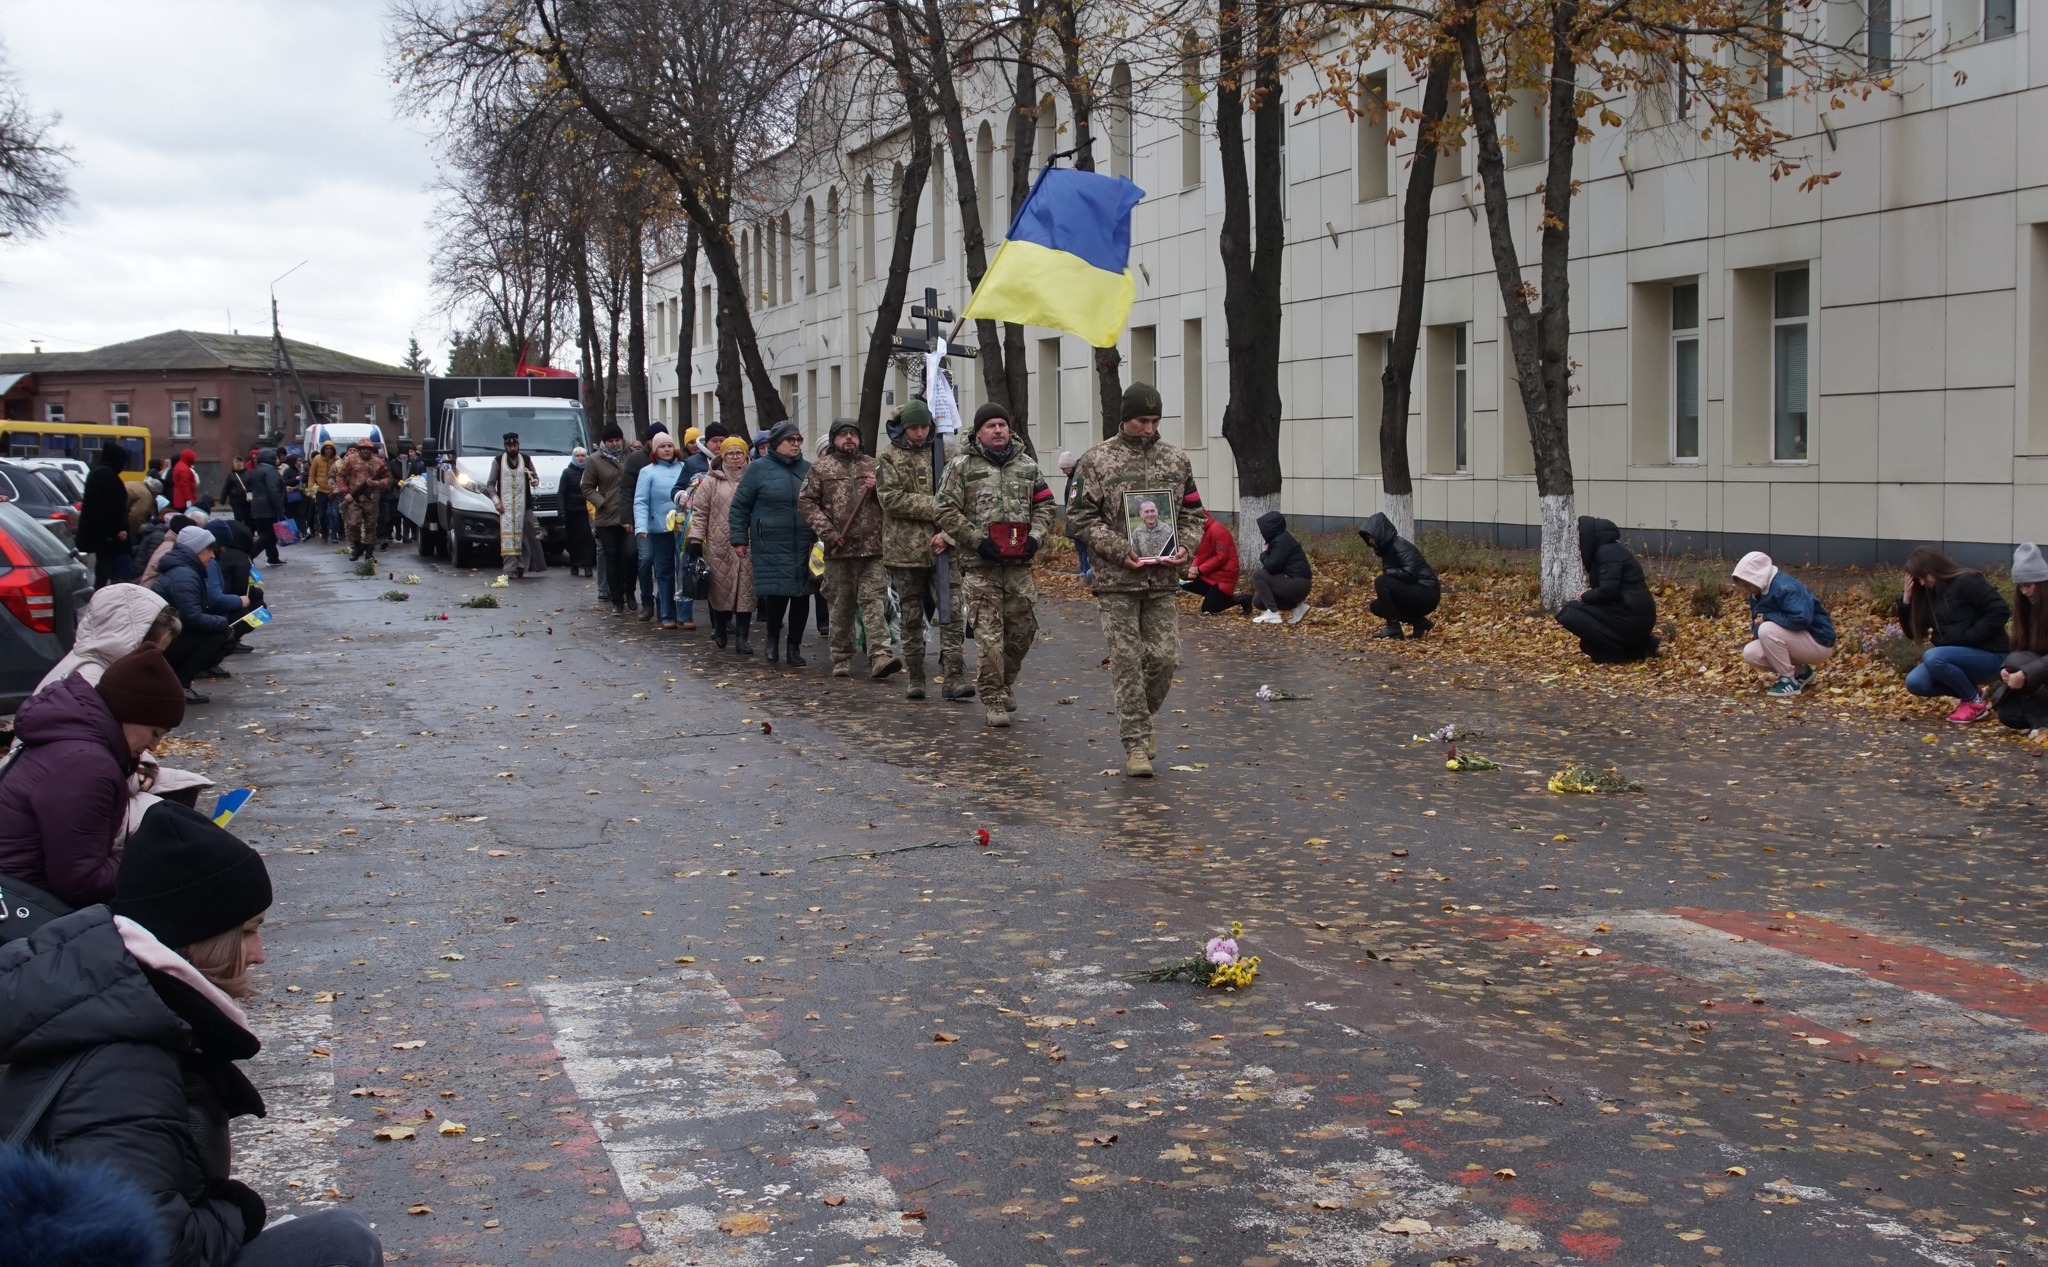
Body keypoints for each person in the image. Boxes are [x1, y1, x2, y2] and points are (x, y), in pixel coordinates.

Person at [0, 802, 385, 1267]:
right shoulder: (124, 1064)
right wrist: (239, 1210)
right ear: (197, 937)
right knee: (336, 1243)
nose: (259, 954)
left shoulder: (114, 1006)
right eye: (247, 931)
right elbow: (156, 1247)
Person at [1066, 383, 1205, 773]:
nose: (1149, 427)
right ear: (1125, 418)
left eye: (1155, 420)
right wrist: (1118, 549)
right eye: (1142, 420)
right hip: (1116, 579)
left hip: (1161, 579)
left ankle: (1142, 723)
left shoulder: (1176, 461)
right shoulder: (1096, 461)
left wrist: (1186, 548)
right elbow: (1078, 517)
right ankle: (1136, 746)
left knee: (1163, 659)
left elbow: (1194, 515)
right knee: (1127, 660)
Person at [0, 646, 185, 907]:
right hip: (25, 906)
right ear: (129, 713)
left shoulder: (74, 740)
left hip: (20, 891)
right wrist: (154, 853)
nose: (155, 747)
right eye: (155, 733)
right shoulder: (87, 766)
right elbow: (82, 882)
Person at [936, 402, 1056, 729]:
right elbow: (944, 510)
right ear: (979, 432)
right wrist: (976, 540)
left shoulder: (1027, 466)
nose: (999, 430)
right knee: (989, 637)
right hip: (980, 567)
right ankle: (993, 699)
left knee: (1023, 631)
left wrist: (1037, 537)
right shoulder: (962, 466)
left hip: (1019, 566)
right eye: (991, 426)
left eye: (1002, 424)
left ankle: (1004, 683)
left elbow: (1045, 505)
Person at [876, 400, 967, 700]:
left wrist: (949, 533)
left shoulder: (947, 453)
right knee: (912, 616)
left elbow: (962, 498)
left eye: (924, 426)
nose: (919, 432)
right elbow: (891, 499)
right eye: (913, 427)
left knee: (952, 613)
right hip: (906, 552)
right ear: (903, 428)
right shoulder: (889, 458)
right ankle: (916, 676)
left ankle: (954, 676)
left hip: (945, 548)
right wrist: (937, 506)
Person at [799, 419, 903, 679]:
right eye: (843, 434)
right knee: (841, 605)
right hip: (839, 550)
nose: (849, 438)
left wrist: (878, 487)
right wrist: (829, 533)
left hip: (873, 549)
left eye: (853, 434)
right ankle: (842, 657)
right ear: (834, 439)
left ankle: (880, 655)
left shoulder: (874, 466)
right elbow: (807, 503)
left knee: (874, 603)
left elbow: (894, 499)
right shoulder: (821, 469)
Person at [730, 419, 819, 667]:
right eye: (791, 440)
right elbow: (740, 506)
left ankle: (794, 648)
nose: (796, 444)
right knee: (777, 595)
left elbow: (822, 504)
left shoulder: (809, 469)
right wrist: (739, 539)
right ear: (776, 443)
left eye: (799, 440)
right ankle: (771, 642)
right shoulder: (758, 469)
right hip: (770, 543)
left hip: (803, 543)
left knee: (802, 596)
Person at [1896, 545, 2010, 723]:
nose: (1923, 583)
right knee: (1915, 682)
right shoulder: (1927, 594)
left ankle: (1973, 704)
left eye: (1924, 576)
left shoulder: (1967, 581)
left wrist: (1970, 637)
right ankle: (1973, 694)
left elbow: (2000, 610)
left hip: (1992, 655)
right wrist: (1906, 600)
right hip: (1955, 659)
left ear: (1935, 566)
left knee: (1933, 657)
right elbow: (1913, 633)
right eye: (1918, 580)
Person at [150, 526, 245, 702]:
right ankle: (181, 685)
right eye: (208, 550)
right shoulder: (185, 575)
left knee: (216, 633)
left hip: (165, 634)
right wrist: (222, 623)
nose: (213, 555)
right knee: (213, 637)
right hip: (163, 638)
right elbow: (191, 617)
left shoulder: (184, 570)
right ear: (195, 550)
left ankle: (179, 682)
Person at [1555, 517, 1660, 663]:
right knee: (1587, 645)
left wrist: (1585, 596)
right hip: (1636, 616)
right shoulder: (1612, 550)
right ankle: (1638, 649)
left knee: (1570, 612)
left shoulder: (1607, 553)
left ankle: (1615, 655)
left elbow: (1608, 591)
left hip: (1631, 617)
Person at [1731, 551, 1835, 697]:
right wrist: (1761, 626)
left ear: (1757, 577)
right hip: (1798, 639)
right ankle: (1800, 673)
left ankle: (1788, 680)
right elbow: (1758, 624)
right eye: (1744, 586)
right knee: (1751, 653)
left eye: (1748, 585)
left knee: (1767, 629)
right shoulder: (1757, 593)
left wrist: (1767, 619)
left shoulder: (1786, 588)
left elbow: (1801, 618)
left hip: (1818, 641)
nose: (1746, 590)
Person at [689, 437, 757, 654]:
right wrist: (695, 540)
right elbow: (700, 513)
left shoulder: (754, 478)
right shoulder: (711, 481)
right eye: (730, 453)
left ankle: (742, 638)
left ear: (746, 455)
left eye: (739, 453)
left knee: (746, 591)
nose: (735, 456)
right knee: (719, 590)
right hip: (719, 543)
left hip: (748, 544)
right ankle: (719, 628)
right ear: (722, 456)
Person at [633, 432, 686, 628]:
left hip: (682, 527)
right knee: (664, 571)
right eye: (662, 447)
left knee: (683, 571)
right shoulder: (648, 472)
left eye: (669, 446)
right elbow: (640, 501)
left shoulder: (684, 468)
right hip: (659, 527)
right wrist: (641, 527)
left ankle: (684, 613)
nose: (666, 450)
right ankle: (666, 613)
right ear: (655, 450)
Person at [1358, 511, 1439, 638]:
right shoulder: (1388, 549)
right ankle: (1419, 622)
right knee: (1377, 606)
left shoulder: (1400, 546)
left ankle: (1393, 627)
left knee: (1381, 582)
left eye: (1371, 537)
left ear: (1379, 535)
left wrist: (1389, 572)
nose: (1370, 542)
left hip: (1427, 592)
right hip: (1416, 591)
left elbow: (1409, 573)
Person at [1993, 543, 2048, 731]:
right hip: (2039, 678)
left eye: (2028, 585)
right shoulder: (2026, 608)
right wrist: (2006, 671)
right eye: (2020, 586)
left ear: (2041, 582)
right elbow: (2019, 647)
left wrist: (2025, 673)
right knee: (2008, 714)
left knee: (2018, 659)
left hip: (2039, 673)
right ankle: (2041, 722)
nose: (2025, 591)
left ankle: (2041, 723)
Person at [583, 425, 632, 611]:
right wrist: (602, 502)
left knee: (629, 555)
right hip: (606, 518)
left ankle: (629, 592)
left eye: (617, 440)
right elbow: (586, 487)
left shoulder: (630, 455)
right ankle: (617, 601)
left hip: (628, 515)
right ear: (604, 443)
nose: (614, 444)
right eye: (610, 441)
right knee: (611, 559)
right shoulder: (595, 460)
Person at [76, 440, 135, 590]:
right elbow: (112, 506)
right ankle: (102, 594)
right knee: (105, 565)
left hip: (100, 531)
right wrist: (119, 530)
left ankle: (102, 592)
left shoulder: (98, 472)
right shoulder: (107, 475)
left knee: (103, 564)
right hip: (106, 533)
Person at [619, 423, 664, 617]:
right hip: (643, 518)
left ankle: (664, 601)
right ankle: (646, 601)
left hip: (665, 520)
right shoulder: (636, 460)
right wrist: (627, 518)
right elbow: (627, 490)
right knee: (644, 559)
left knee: (664, 563)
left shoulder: (672, 460)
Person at [1245, 511, 1312, 625]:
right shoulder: (1280, 539)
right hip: (1297, 583)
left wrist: (1264, 553)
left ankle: (1273, 613)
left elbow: (1272, 567)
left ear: (1270, 528)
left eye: (1263, 528)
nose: (1261, 532)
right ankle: (1298, 607)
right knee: (1258, 601)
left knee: (1258, 575)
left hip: (1298, 583)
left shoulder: (1282, 541)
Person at [331, 438, 392, 564]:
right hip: (354, 498)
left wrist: (377, 483)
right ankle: (357, 547)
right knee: (354, 523)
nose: (366, 451)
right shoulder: (350, 460)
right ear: (359, 449)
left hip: (372, 499)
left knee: (371, 526)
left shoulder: (378, 462)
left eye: (368, 449)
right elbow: (340, 475)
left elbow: (388, 479)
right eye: (363, 448)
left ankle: (369, 553)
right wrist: (345, 491)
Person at [1180, 513, 1240, 615]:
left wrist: (1199, 570)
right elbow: (1198, 554)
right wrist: (1193, 568)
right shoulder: (1201, 531)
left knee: (1208, 609)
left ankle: (1239, 599)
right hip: (1210, 574)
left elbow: (1221, 557)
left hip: (1223, 576)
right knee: (1183, 582)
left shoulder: (1217, 530)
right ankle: (1214, 595)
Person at [243, 449, 288, 567]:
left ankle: (272, 557)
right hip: (268, 507)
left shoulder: (256, 470)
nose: (277, 460)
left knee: (266, 533)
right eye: (275, 457)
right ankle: (249, 555)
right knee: (268, 535)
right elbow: (273, 490)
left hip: (257, 506)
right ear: (271, 458)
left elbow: (248, 484)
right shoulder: (270, 471)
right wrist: (280, 509)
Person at [560, 447, 596, 577]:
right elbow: (561, 494)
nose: (580, 458)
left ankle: (587, 566)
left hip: (586, 512)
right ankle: (574, 564)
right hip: (572, 512)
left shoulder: (590, 471)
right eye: (577, 456)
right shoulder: (567, 473)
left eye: (583, 455)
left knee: (588, 541)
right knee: (573, 541)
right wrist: (562, 511)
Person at [1058, 450, 1091, 581]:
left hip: (1078, 520)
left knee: (1083, 549)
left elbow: (1075, 501)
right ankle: (1083, 572)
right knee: (1080, 548)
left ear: (1069, 466)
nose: (1062, 471)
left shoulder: (1077, 479)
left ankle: (1086, 573)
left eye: (1063, 468)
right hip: (1075, 520)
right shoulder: (1073, 477)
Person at [306, 441, 339, 542]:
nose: (328, 451)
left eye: (330, 449)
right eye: (326, 449)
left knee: (334, 513)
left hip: (333, 490)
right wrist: (311, 488)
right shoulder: (317, 459)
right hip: (321, 490)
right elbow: (312, 474)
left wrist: (339, 487)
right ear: (323, 449)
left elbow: (342, 474)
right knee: (321, 514)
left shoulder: (337, 460)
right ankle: (324, 533)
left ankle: (334, 536)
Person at [218, 457, 251, 526]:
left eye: (240, 461)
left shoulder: (248, 473)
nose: (238, 463)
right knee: (238, 517)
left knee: (248, 518)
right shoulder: (231, 474)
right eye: (236, 461)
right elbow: (226, 487)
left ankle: (248, 532)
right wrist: (222, 500)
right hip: (236, 500)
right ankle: (239, 531)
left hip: (247, 500)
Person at [167, 448, 198, 512]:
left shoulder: (179, 465)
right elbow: (185, 485)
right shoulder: (183, 469)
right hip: (183, 500)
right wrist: (189, 500)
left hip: (179, 499)